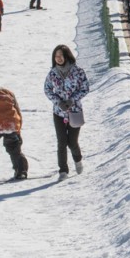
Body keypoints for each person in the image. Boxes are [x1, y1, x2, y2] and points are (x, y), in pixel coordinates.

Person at [43, 44, 90, 180]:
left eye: (60, 56)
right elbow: (47, 90)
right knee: (61, 141)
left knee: (72, 142)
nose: (58, 59)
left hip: (74, 111)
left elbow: (85, 88)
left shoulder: (78, 71)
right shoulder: (52, 74)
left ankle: (78, 159)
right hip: (59, 112)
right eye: (56, 56)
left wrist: (72, 100)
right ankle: (63, 170)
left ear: (66, 56)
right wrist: (58, 102)